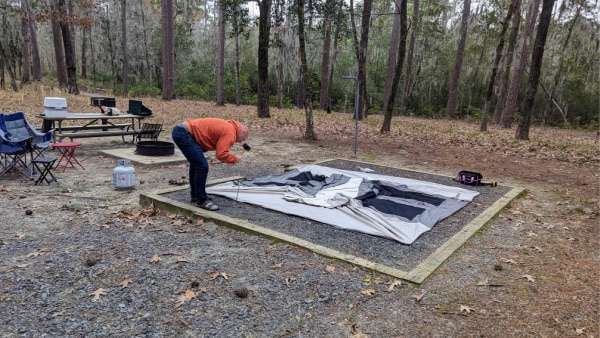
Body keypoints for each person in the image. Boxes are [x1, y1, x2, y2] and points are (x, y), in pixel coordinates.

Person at [172, 118, 249, 211]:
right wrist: (235, 159)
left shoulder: (230, 127)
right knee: (202, 166)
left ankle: (196, 195)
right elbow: (221, 154)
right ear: (242, 133)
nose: (241, 141)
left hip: (182, 130)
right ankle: (202, 200)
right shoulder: (230, 133)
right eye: (243, 139)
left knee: (197, 164)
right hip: (184, 133)